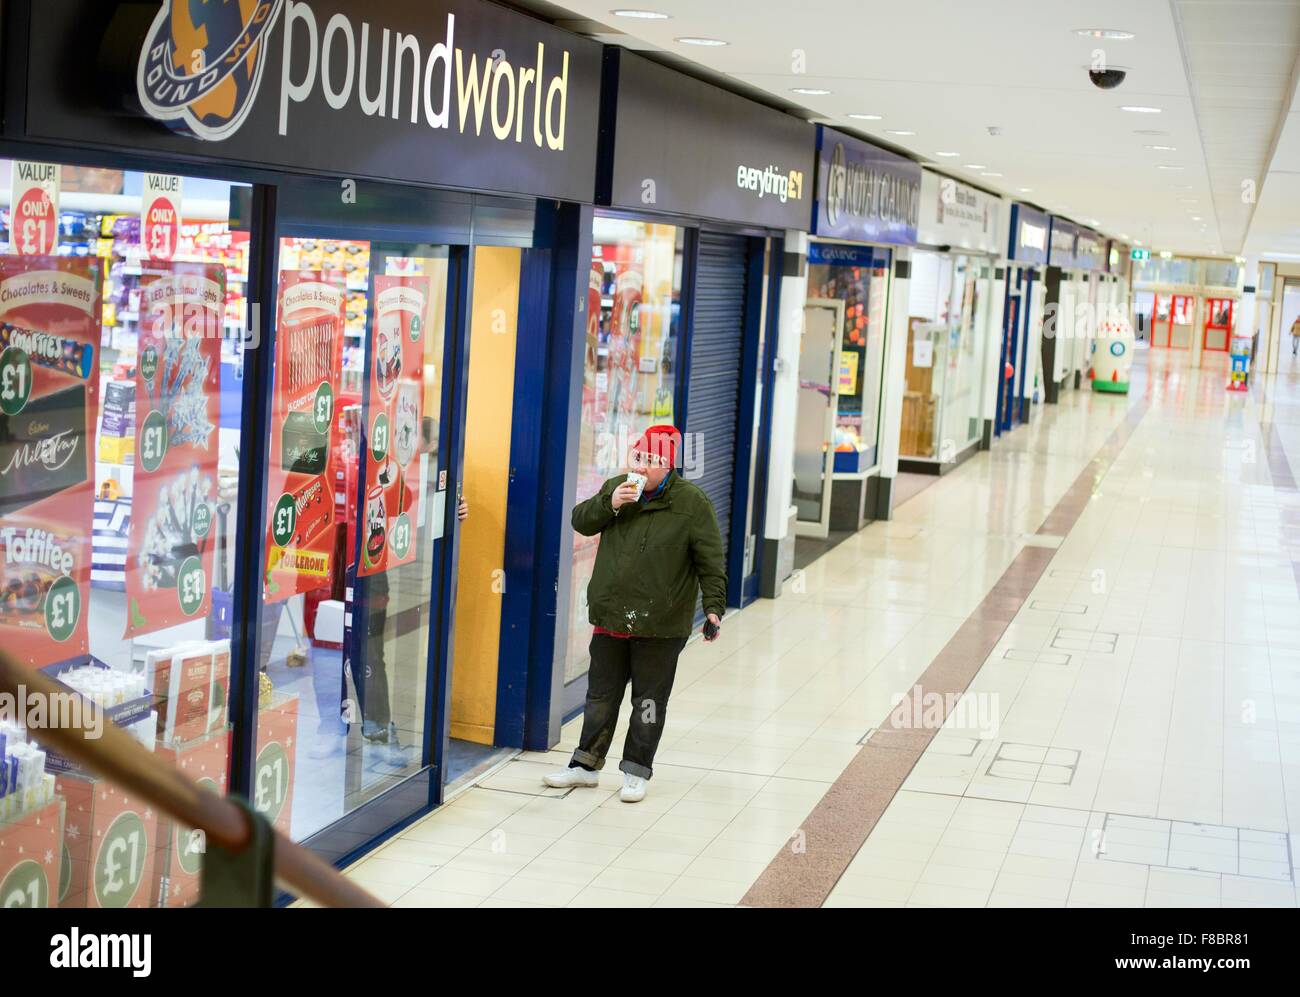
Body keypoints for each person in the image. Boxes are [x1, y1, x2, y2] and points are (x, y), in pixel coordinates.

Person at [543, 425, 725, 803]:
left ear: (669, 465)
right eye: (638, 457)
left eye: (653, 461)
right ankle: (585, 766)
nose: (642, 467)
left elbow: (710, 562)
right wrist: (610, 503)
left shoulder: (692, 504)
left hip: (661, 624)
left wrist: (713, 609)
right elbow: (581, 520)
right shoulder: (618, 488)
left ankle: (635, 770)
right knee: (600, 698)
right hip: (611, 617)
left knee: (647, 703)